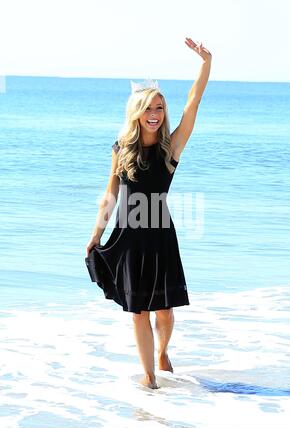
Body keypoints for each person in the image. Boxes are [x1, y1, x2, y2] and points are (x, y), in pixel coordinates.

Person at [85, 37, 212, 389]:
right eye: (149, 109)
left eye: (160, 108)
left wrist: (205, 63)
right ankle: (149, 376)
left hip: (159, 232)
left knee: (164, 309)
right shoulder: (121, 148)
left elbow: (193, 103)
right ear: (137, 112)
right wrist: (96, 234)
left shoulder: (172, 148)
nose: (155, 115)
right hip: (127, 234)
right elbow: (110, 194)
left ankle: (162, 351)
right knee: (137, 309)